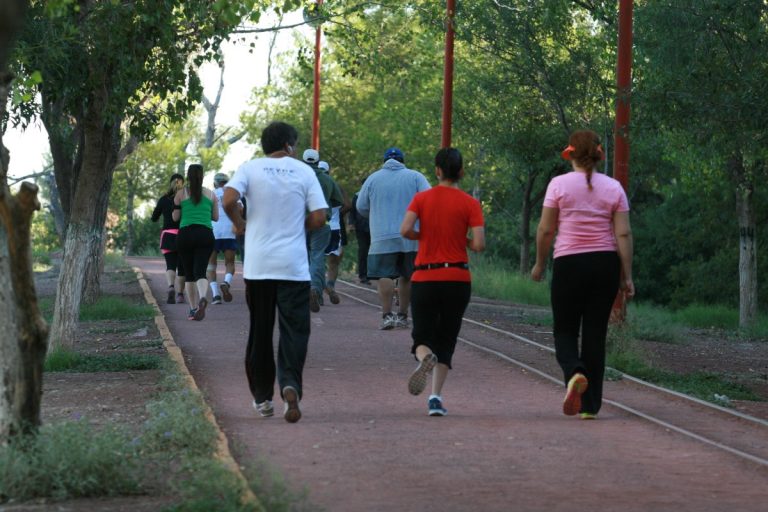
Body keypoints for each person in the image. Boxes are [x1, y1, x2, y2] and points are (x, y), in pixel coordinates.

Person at [223, 121, 327, 423]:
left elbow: (229, 200)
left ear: (265, 145)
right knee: (295, 331)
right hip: (293, 267)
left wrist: (242, 224)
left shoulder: (249, 168)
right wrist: (298, 226)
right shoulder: (305, 171)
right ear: (290, 146)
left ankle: (262, 398)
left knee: (260, 330)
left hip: (258, 267)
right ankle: (291, 384)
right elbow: (320, 217)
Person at [531, 129, 634, 420]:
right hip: (605, 265)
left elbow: (546, 229)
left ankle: (575, 371)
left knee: (564, 330)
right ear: (600, 155)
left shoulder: (558, 184)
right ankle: (589, 407)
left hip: (569, 264)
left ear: (570, 154)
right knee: (594, 334)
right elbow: (623, 233)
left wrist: (539, 263)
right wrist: (627, 277)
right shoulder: (614, 187)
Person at [400, 148, 485, 416]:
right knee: (447, 338)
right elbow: (479, 245)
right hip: (457, 278)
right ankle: (435, 398)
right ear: (460, 172)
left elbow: (405, 230)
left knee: (422, 337)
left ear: (437, 170)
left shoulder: (421, 198)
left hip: (425, 276)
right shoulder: (470, 203)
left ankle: (425, 357)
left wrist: (422, 236)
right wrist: (463, 240)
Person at [356, 147, 430, 330]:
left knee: (384, 274)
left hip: (381, 235)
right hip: (410, 235)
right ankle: (403, 316)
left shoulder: (373, 178)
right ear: (402, 161)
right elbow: (429, 200)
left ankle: (387, 315)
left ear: (384, 161)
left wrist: (376, 214)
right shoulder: (415, 177)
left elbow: (361, 206)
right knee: (407, 275)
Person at [173, 163, 218, 321]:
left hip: (185, 235)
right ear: (202, 176)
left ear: (188, 176)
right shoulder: (211, 194)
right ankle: (203, 296)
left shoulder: (180, 194)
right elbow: (216, 217)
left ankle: (193, 309)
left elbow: (175, 218)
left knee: (188, 274)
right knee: (201, 271)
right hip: (205, 234)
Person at [303, 150, 345, 312]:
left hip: (300, 223)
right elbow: (338, 201)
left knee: (300, 258)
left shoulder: (296, 177)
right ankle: (316, 290)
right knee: (318, 256)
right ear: (318, 161)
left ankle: (301, 293)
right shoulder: (327, 179)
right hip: (321, 222)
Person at [151, 173, 186, 304]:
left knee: (170, 266)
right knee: (182, 267)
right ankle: (180, 294)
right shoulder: (185, 199)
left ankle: (171, 287)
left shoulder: (163, 199)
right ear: (183, 183)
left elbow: (154, 218)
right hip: (183, 235)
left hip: (167, 235)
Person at [207, 172, 241, 305]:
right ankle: (226, 282)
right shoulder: (232, 193)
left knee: (211, 265)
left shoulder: (210, 194)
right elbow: (240, 209)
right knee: (230, 263)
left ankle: (215, 295)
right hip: (229, 231)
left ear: (215, 182)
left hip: (213, 231)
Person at [319, 161, 349, 305]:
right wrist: (337, 214)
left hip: (317, 225)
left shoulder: (311, 184)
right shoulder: (336, 186)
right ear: (329, 171)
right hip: (335, 226)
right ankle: (330, 285)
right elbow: (348, 205)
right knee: (334, 261)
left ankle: (317, 289)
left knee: (316, 259)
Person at [348, 178, 371, 285]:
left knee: (373, 251)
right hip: (360, 227)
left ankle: (372, 273)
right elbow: (352, 211)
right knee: (363, 250)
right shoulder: (357, 195)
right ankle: (363, 275)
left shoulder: (374, 194)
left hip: (374, 227)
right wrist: (351, 224)